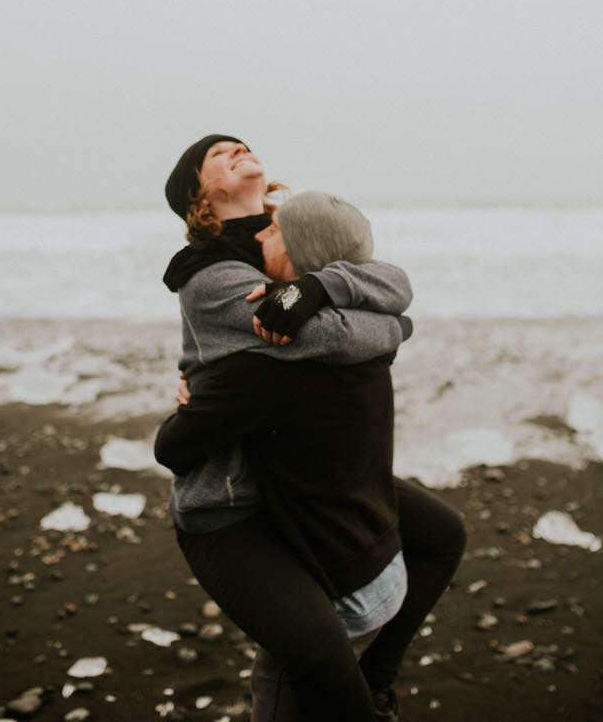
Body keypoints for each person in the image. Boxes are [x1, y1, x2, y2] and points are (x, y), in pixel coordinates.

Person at [156, 135, 464, 721]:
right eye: (220, 154)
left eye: (243, 144)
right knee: (312, 652)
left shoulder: (292, 230)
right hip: (232, 485)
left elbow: (393, 282)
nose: (240, 150)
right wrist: (396, 328)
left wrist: (323, 285)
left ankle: (372, 681)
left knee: (442, 534)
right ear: (201, 193)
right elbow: (330, 338)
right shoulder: (209, 276)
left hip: (300, 466)